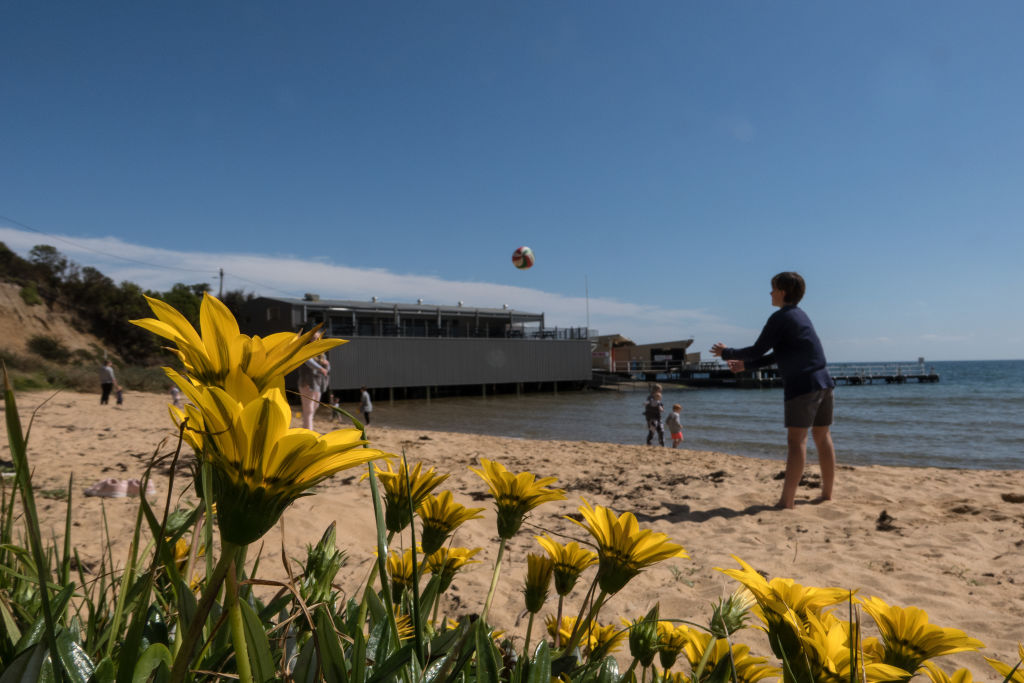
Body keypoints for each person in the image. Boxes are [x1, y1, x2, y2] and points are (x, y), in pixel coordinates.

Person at [710, 271, 836, 509]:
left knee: (796, 441)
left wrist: (726, 352)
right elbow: (779, 354)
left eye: (773, 288)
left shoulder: (780, 317)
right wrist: (746, 366)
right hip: (824, 381)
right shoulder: (800, 316)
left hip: (802, 386)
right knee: (822, 436)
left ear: (783, 292)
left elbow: (758, 349)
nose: (770, 293)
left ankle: (786, 502)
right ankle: (827, 494)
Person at [298, 330, 330, 430]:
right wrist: (320, 368)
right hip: (307, 382)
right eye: (313, 338)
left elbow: (328, 368)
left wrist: (326, 365)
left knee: (315, 406)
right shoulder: (304, 349)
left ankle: (307, 428)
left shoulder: (320, 352)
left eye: (317, 338)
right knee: (309, 409)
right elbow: (308, 361)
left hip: (318, 383)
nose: (315, 340)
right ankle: (308, 431)